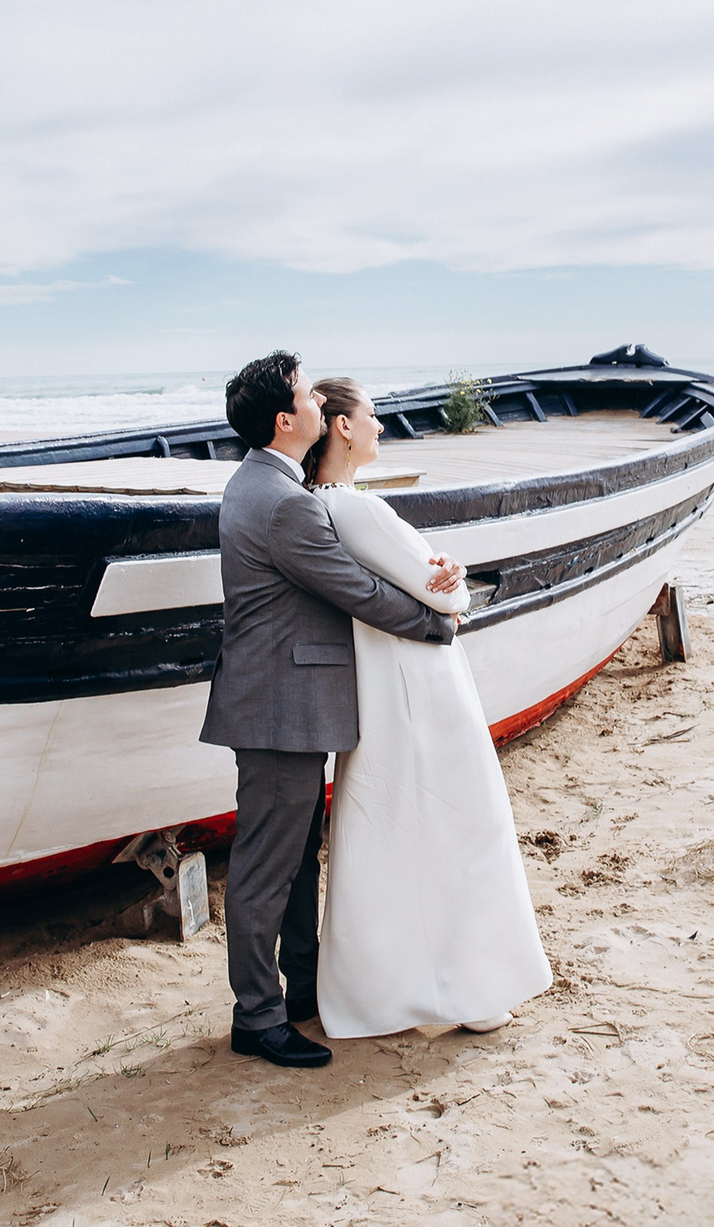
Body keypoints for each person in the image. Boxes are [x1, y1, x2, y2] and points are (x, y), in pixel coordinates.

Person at [202, 351, 464, 1069]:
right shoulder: (283, 502)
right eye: (305, 394)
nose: (318, 399)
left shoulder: (261, 484)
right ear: (287, 421)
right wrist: (435, 622)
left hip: (277, 701)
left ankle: (303, 991)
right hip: (279, 709)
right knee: (266, 868)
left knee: (291, 863)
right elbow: (356, 590)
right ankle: (257, 1018)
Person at [302, 377, 554, 1038]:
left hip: (391, 683)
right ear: (344, 428)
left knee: (396, 829)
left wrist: (442, 571)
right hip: (420, 685)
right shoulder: (357, 509)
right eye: (373, 416)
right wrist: (453, 580)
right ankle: (467, 989)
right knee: (460, 826)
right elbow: (444, 597)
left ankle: (408, 986)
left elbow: (426, 578)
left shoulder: (325, 508)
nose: (382, 426)